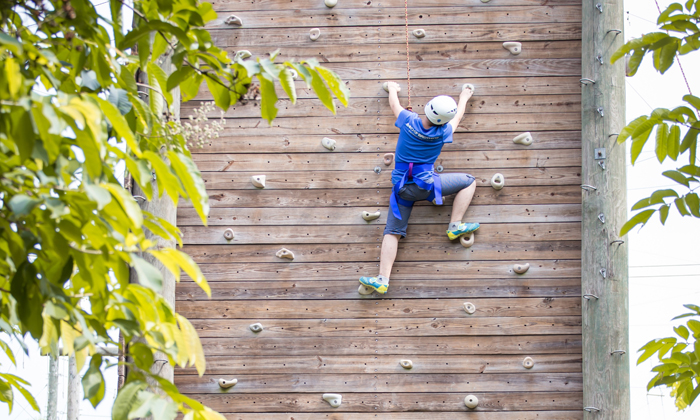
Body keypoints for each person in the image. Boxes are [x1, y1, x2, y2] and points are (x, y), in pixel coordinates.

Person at [359, 82, 479, 295]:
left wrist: (393, 89)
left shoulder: (407, 120)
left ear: (427, 107)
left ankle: (382, 279)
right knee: (469, 180)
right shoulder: (444, 132)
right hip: (428, 187)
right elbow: (458, 117)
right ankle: (455, 225)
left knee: (393, 232)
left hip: (402, 189)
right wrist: (464, 97)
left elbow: (394, 104)